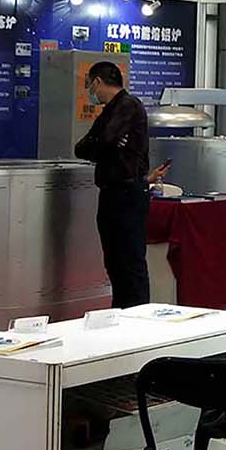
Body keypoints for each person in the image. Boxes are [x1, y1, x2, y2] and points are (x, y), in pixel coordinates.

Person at [75, 60, 151, 310]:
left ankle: (137, 314)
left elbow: (104, 140)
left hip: (127, 193)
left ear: (97, 82)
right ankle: (120, 312)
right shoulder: (109, 111)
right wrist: (103, 145)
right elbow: (82, 147)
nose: (90, 92)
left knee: (130, 261)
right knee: (115, 261)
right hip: (111, 193)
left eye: (90, 85)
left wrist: (103, 144)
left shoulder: (129, 105)